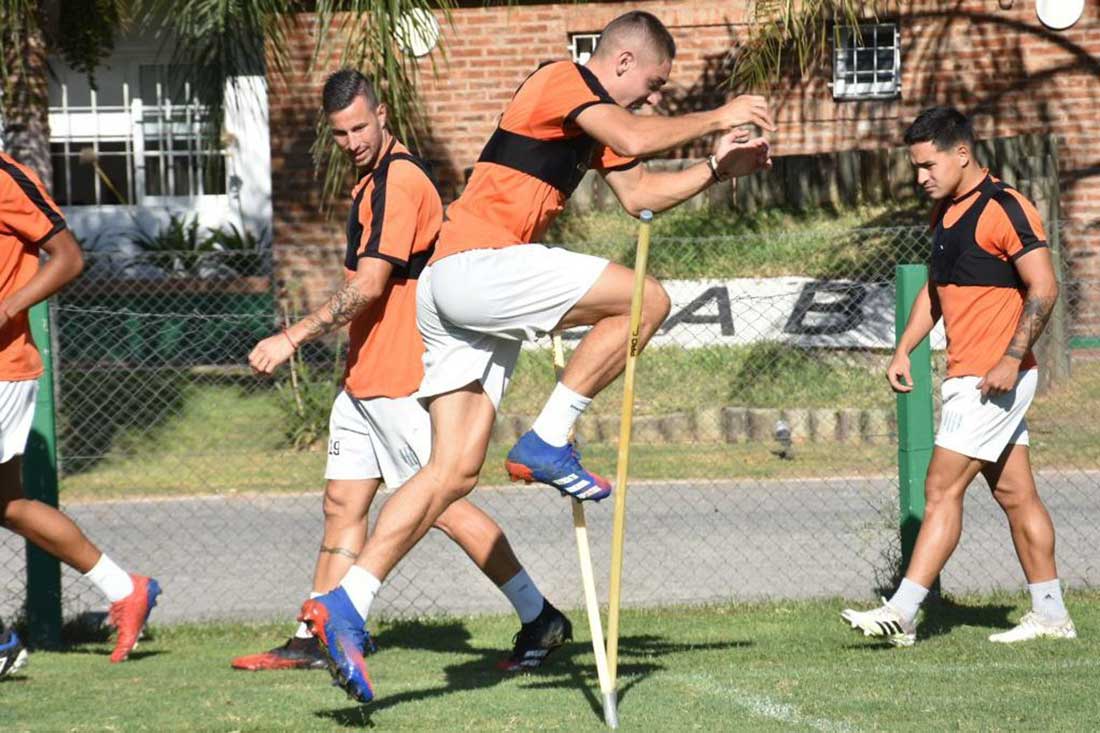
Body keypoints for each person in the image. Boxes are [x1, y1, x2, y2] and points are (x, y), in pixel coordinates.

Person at [301, 10, 775, 702]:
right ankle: (549, 438)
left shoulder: (593, 123)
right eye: (650, 83)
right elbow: (636, 131)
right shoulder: (562, 80)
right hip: (478, 265)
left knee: (449, 472)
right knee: (647, 302)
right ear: (620, 63)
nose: (650, 98)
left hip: (456, 288)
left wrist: (713, 168)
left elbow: (639, 193)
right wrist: (720, 114)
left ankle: (346, 604)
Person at [240, 69, 571, 674]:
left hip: (402, 378)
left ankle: (539, 616)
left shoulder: (400, 179)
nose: (351, 142)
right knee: (342, 503)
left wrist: (292, 336)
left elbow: (368, 286)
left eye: (360, 127)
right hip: (362, 377)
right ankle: (313, 636)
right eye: (340, 133)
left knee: (443, 505)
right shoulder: (369, 183)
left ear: (383, 113)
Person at [842, 106, 1074, 646]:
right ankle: (1051, 614)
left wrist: (1012, 359)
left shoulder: (1005, 208)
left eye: (927, 165)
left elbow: (1044, 288)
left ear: (961, 154)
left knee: (941, 487)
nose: (920, 177)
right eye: (916, 167)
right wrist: (904, 349)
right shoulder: (943, 214)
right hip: (968, 375)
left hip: (994, 380)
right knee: (1017, 496)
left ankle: (901, 610)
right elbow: (935, 292)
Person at [0, 151, 160, 664]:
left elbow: (68, 257)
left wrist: (5, 309)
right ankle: (125, 588)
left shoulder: (4, 176)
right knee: (8, 503)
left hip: (3, 367)